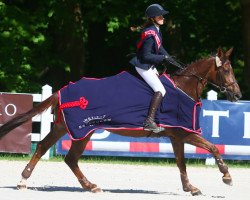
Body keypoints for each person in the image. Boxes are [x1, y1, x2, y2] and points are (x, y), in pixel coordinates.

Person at [129, 4, 180, 133]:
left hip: (149, 66)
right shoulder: (150, 33)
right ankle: (148, 121)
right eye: (159, 15)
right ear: (152, 18)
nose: (163, 17)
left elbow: (160, 48)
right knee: (160, 90)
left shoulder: (156, 30)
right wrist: (163, 58)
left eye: (162, 15)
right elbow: (146, 56)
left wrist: (172, 60)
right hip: (143, 66)